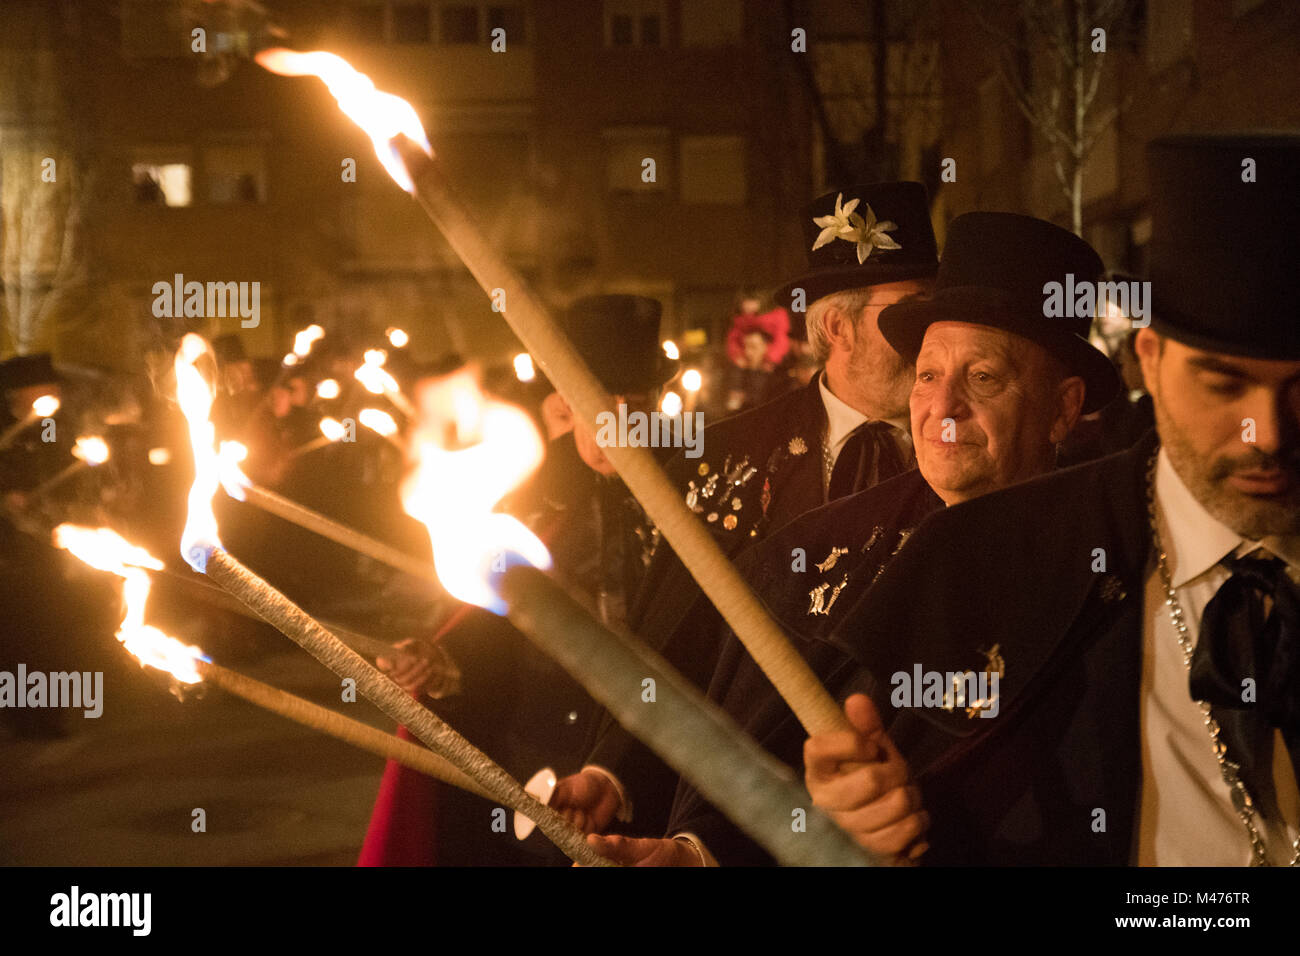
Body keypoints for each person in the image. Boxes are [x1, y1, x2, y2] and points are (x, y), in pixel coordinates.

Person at [801, 132, 1300, 866]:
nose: (1266, 435)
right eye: (1222, 385)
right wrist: (847, 824)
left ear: (1066, 409)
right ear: (1153, 363)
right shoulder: (976, 558)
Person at [592, 211, 1122, 865]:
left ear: (1065, 408)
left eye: (983, 378)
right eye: (928, 375)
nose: (942, 407)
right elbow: (751, 760)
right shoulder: (811, 551)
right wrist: (698, 855)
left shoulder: (1118, 565)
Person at [552, 182, 941, 840]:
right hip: (751, 822)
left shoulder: (968, 443)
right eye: (906, 310)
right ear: (837, 329)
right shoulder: (726, 459)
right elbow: (676, 644)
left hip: (921, 799)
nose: (926, 332)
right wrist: (612, 772)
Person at [358, 294, 674, 865]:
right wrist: (439, 664)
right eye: (596, 408)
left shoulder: (696, 498)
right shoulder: (519, 495)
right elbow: (482, 634)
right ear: (562, 410)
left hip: (658, 769)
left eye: (635, 407)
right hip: (534, 758)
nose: (617, 429)